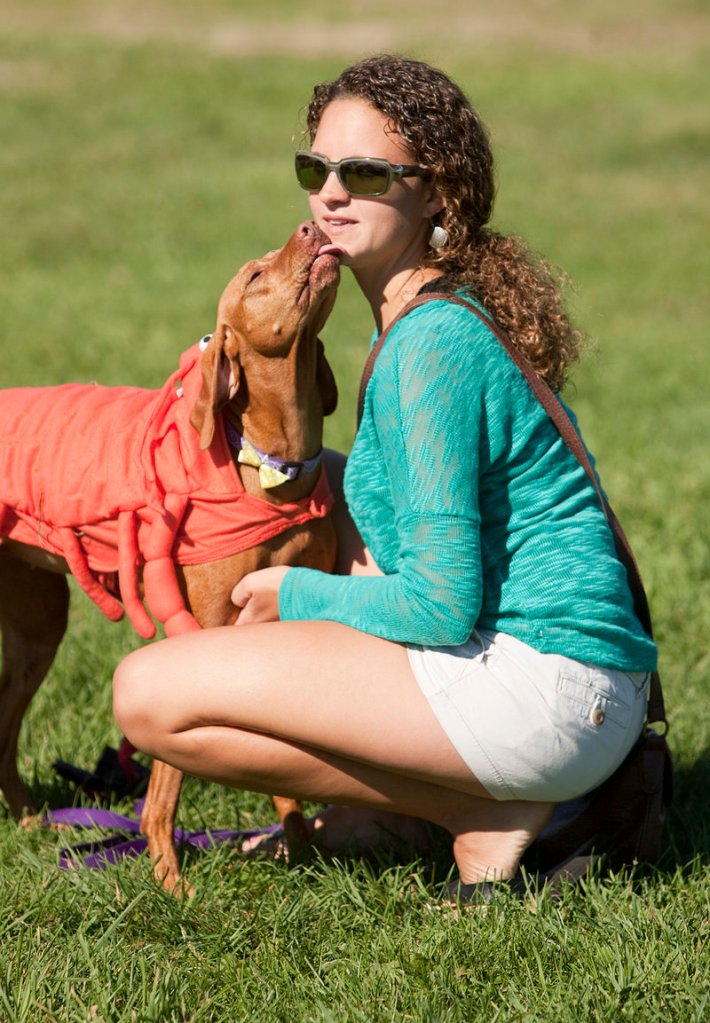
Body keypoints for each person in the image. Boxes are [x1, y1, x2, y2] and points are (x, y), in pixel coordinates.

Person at [112, 55, 657, 901]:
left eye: (364, 173)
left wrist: (295, 594)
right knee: (321, 493)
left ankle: (484, 813)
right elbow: (381, 505)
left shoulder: (429, 351)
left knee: (148, 695)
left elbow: (440, 604)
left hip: (551, 689)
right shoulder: (433, 316)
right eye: (315, 170)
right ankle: (480, 804)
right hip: (576, 686)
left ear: (435, 194)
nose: (330, 194)